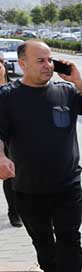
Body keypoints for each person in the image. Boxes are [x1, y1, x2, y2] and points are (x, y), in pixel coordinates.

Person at [0, 40, 82, 272]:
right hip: (27, 186)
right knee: (42, 238)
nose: (48, 65)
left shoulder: (66, 91)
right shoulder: (7, 96)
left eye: (50, 60)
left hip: (67, 184)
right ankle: (49, 268)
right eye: (41, 61)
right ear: (22, 64)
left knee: (70, 238)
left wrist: (79, 81)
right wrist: (1, 157)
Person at [0, 53, 21, 228]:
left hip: (9, 139)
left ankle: (14, 212)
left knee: (11, 175)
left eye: (0, 63)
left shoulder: (13, 88)